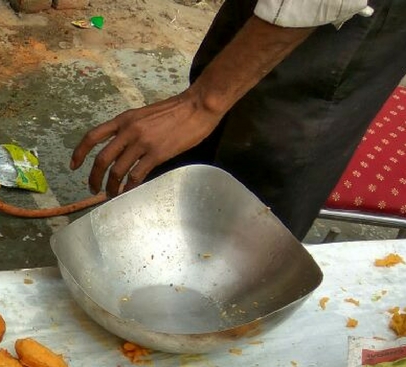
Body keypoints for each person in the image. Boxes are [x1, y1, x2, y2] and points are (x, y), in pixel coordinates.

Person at [70, 0, 406, 239]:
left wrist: (203, 102)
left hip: (345, 19)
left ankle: (225, 302)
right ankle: (153, 250)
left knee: (264, 164)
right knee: (199, 141)